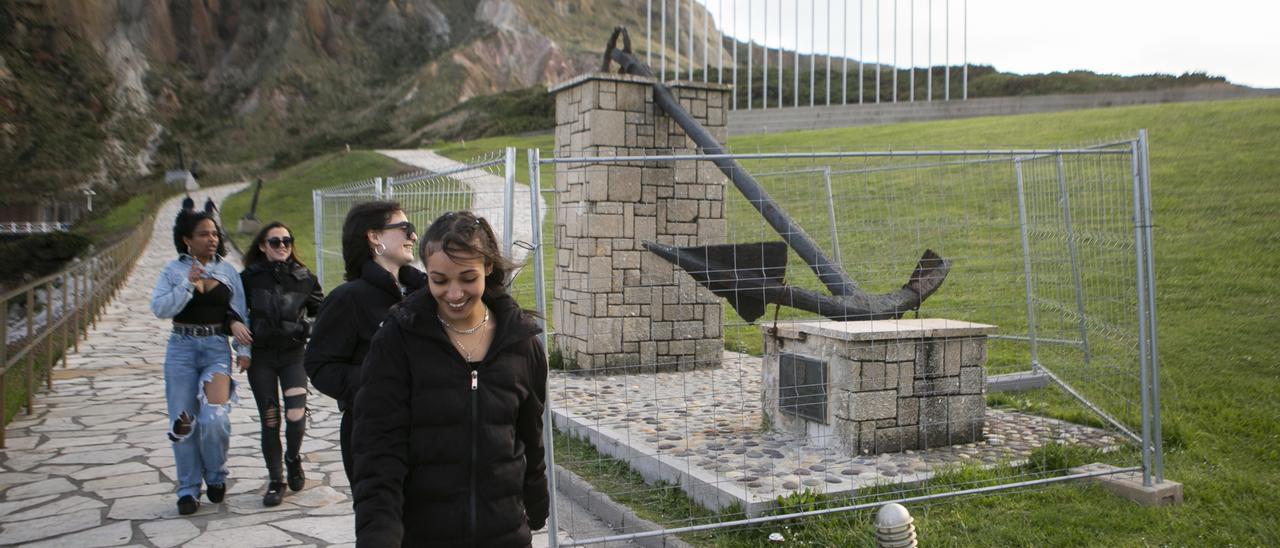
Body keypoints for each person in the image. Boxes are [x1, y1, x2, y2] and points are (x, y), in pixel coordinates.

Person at [352, 211, 549, 547]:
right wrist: (378, 532)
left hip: (505, 533)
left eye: (467, 278)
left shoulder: (520, 340)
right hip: (423, 534)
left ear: (488, 267)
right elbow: (378, 447)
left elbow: (529, 433)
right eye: (439, 280)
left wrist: (535, 502)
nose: (454, 293)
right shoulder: (398, 338)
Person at [304, 201, 426, 484]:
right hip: (374, 434)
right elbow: (319, 365)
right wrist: (380, 383)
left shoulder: (423, 293)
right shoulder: (347, 298)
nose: (413, 237)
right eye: (405, 228)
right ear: (374, 237)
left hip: (426, 432)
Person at [150, 210, 252, 515]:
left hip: (215, 350)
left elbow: (239, 313)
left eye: (215, 234)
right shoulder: (172, 271)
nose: (212, 239)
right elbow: (159, 308)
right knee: (183, 422)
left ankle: (216, 474)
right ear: (187, 240)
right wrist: (186, 285)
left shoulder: (227, 270)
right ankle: (188, 490)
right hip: (181, 348)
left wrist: (244, 350)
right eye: (204, 234)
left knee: (215, 418)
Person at [240, 222, 323, 506]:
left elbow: (322, 312)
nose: (282, 246)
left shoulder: (304, 277)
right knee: (270, 419)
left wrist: (305, 329)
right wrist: (234, 324)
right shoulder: (248, 278)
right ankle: (276, 481)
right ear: (262, 246)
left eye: (287, 240)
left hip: (293, 356)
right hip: (261, 357)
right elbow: (233, 311)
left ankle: (293, 457)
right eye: (275, 242)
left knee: (296, 414)